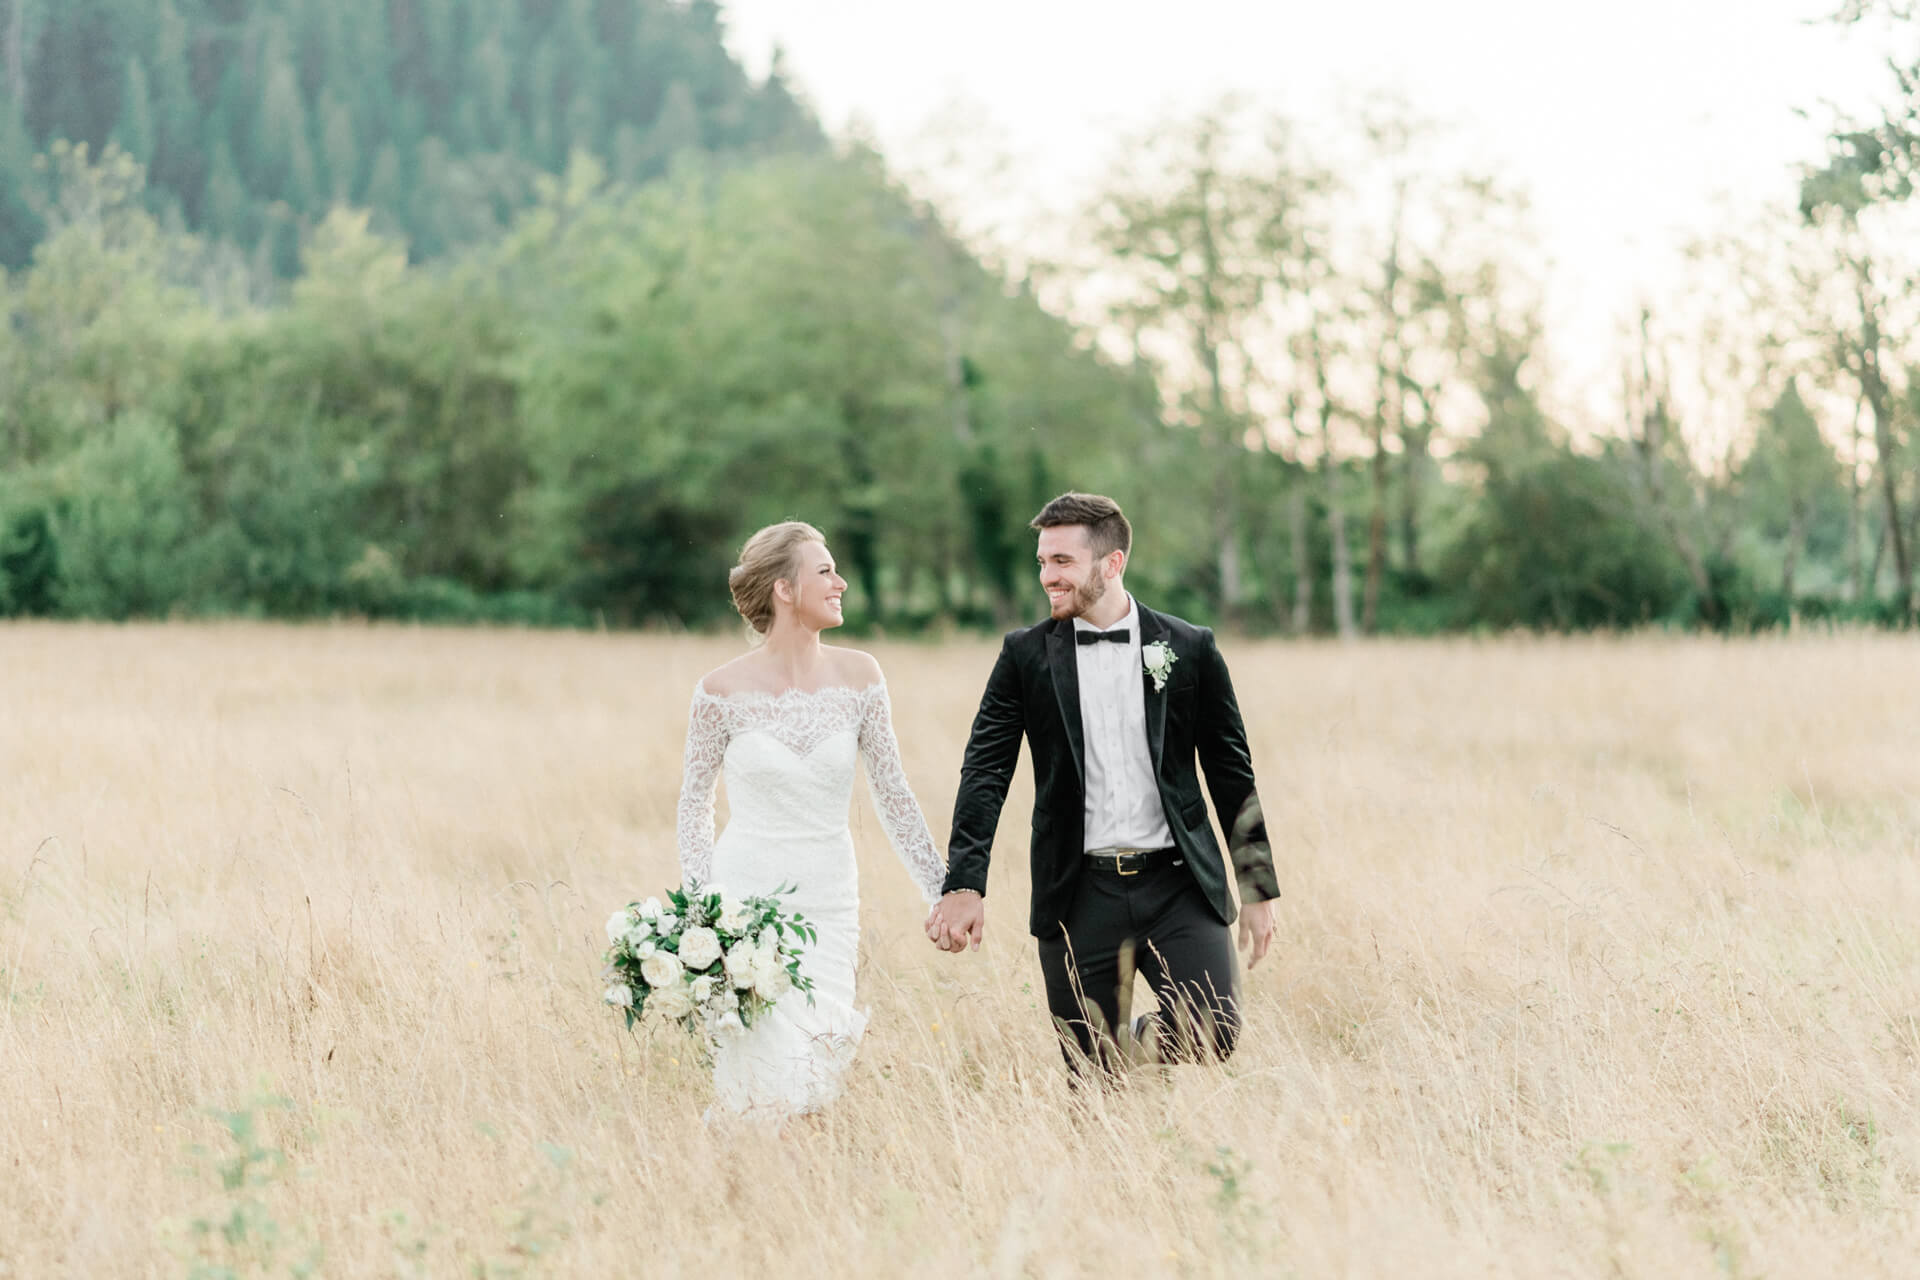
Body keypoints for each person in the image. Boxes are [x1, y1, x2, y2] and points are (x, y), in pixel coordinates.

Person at [928, 492, 1280, 1076]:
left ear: (1111, 563)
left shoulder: (1188, 648)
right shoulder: (1025, 656)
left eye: (1062, 562)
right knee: (1093, 1075)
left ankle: (1139, 1044)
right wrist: (965, 882)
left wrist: (1258, 886)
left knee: (1214, 1030)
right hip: (1078, 891)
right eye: (1043, 562)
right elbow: (986, 769)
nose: (1047, 576)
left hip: (1177, 884)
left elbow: (1230, 771)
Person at [677, 521, 946, 1119]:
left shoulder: (861, 677)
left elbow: (893, 794)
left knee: (816, 1074)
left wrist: (942, 890)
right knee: (759, 1074)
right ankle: (744, 1192)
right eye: (825, 571)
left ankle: (790, 1202)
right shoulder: (719, 691)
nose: (840, 582)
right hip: (744, 903)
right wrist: (701, 918)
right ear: (783, 589)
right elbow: (694, 805)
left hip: (827, 902)